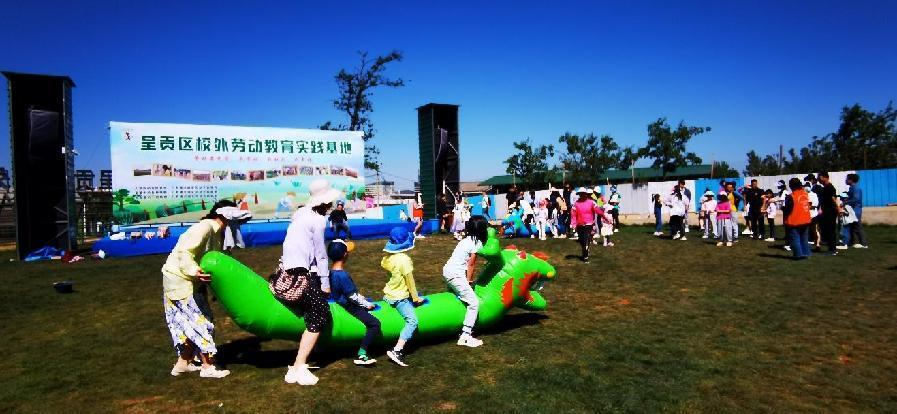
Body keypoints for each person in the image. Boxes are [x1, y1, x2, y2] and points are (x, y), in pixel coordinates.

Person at [162, 200, 236, 379]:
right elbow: (185, 252)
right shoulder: (205, 227)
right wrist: (195, 271)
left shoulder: (216, 232)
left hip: (183, 281)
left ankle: (182, 364)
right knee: (201, 321)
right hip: (183, 281)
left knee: (185, 324)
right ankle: (207, 366)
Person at [281, 179, 340, 385]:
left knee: (313, 313)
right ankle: (299, 365)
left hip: (288, 268)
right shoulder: (318, 220)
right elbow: (320, 254)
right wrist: (325, 282)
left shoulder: (300, 214)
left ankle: (300, 364)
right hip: (304, 272)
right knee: (318, 315)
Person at [327, 239, 381, 366]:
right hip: (348, 306)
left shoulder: (329, 273)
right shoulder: (343, 275)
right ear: (345, 255)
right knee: (375, 324)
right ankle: (362, 354)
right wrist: (368, 305)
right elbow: (352, 297)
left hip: (337, 302)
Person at [442, 215, 489, 348]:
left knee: (457, 298)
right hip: (456, 275)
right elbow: (471, 264)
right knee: (474, 303)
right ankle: (465, 336)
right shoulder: (476, 243)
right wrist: (469, 281)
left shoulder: (465, 240)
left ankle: (454, 324)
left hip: (447, 271)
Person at [381, 227, 424, 367]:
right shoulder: (404, 260)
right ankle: (397, 350)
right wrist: (416, 299)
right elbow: (410, 282)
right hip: (399, 297)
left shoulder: (388, 258)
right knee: (412, 321)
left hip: (388, 294)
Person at [570, 187, 602, 262]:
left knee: (585, 239)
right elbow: (573, 214)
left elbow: (598, 210)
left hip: (588, 224)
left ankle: (585, 257)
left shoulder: (591, 202)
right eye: (580, 194)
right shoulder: (576, 204)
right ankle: (585, 251)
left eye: (583, 194)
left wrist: (605, 217)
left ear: (586, 194)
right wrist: (573, 224)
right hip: (579, 225)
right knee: (581, 240)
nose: (582, 195)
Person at [783, 178, 812, 260]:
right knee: (804, 238)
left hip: (795, 220)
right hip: (806, 219)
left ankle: (798, 255)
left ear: (791, 186)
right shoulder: (805, 194)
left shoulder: (791, 196)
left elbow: (788, 209)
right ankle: (806, 254)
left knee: (795, 239)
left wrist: (783, 208)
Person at [817, 172, 840, 256]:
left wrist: (838, 208)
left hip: (831, 212)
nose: (818, 179)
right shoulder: (825, 187)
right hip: (827, 212)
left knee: (830, 230)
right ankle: (831, 248)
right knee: (828, 230)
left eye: (820, 177)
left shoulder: (830, 187)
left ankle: (832, 250)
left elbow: (833, 198)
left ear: (825, 177)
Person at [844, 174, 868, 248]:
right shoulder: (852, 188)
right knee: (852, 227)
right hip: (852, 210)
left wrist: (845, 202)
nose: (845, 180)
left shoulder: (855, 188)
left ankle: (864, 244)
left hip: (856, 210)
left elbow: (855, 199)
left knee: (858, 227)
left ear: (851, 180)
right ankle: (853, 242)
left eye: (847, 179)